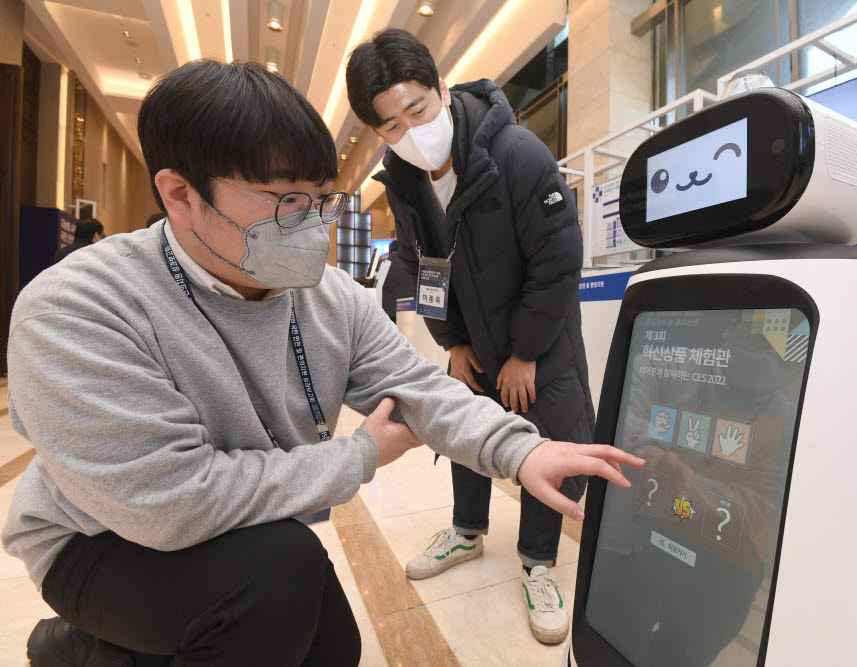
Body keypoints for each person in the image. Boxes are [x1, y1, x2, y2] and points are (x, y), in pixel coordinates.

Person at [1, 59, 643, 666]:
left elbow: (417, 385)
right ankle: (101, 643)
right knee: (278, 581)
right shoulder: (77, 307)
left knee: (330, 644)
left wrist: (522, 451)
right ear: (181, 194)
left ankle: (104, 654)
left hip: (242, 529)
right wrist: (360, 453)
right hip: (100, 538)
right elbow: (170, 502)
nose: (312, 227)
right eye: (284, 202)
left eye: (320, 200)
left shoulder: (328, 296)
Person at [346, 29, 595, 644]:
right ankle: (467, 530)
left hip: (540, 344)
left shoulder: (516, 153)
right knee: (466, 430)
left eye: (417, 111)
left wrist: (526, 353)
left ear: (443, 90)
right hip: (474, 343)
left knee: (545, 442)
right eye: (390, 127)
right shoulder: (403, 182)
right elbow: (421, 267)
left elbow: (559, 261)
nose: (409, 132)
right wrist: (451, 341)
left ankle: (539, 561)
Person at [379, 240, 412, 323]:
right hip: (408, 312)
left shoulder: (382, 264)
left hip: (386, 313)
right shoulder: (410, 265)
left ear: (389, 252)